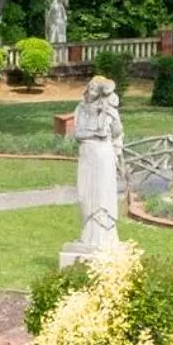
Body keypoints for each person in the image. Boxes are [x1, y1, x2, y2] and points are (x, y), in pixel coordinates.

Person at [63, 76, 123, 264]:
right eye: (91, 89)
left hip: (104, 154)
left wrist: (113, 117)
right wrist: (95, 133)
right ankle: (88, 236)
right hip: (88, 154)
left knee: (103, 194)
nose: (92, 93)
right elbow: (78, 134)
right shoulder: (81, 108)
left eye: (96, 90)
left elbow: (117, 133)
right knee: (86, 194)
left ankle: (106, 237)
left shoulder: (109, 109)